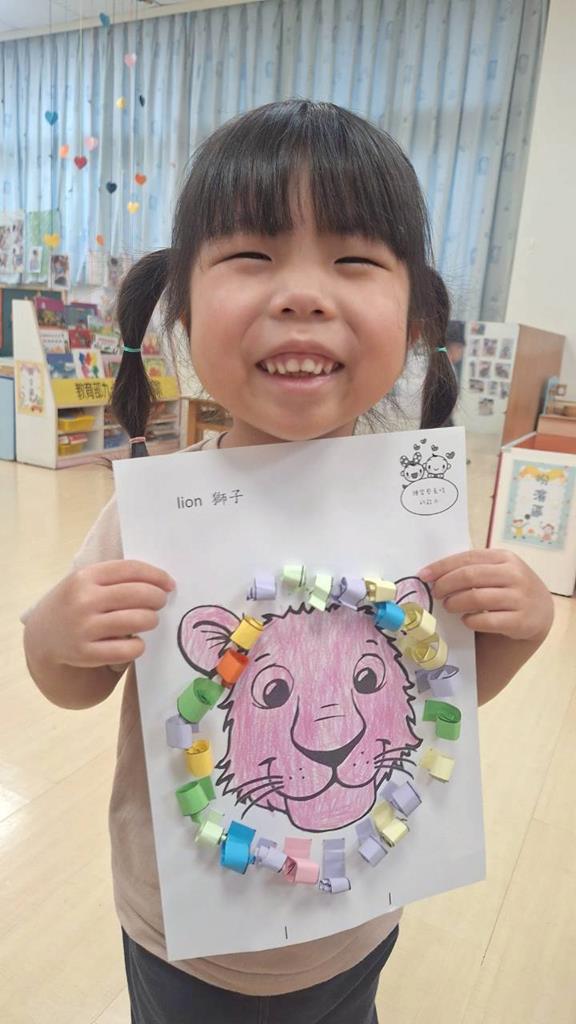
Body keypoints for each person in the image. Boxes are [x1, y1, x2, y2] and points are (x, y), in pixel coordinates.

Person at [22, 100, 554, 1024]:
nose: (303, 294)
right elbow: (71, 686)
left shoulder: (417, 517)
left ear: (416, 313)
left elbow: (442, 693)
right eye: (251, 255)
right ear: (181, 307)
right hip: (185, 932)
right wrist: (58, 636)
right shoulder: (154, 516)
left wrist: (523, 626)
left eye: (354, 261)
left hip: (360, 907)